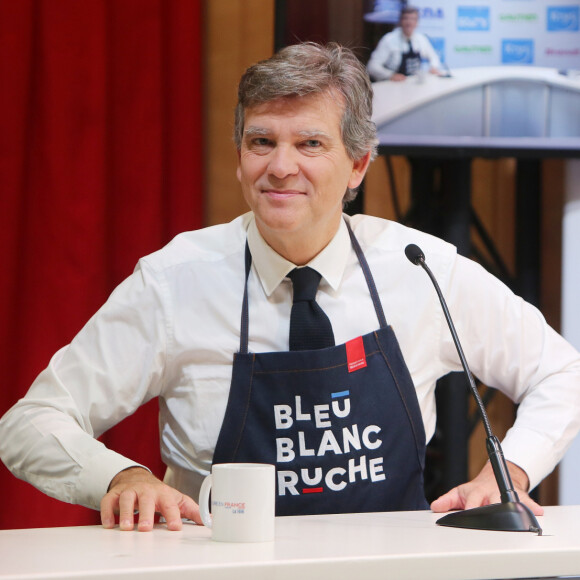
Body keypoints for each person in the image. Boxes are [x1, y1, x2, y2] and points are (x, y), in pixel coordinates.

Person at [1, 42, 580, 533]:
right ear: (239, 157)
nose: (280, 167)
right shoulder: (175, 281)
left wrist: (512, 471)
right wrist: (119, 477)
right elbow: (29, 423)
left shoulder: (419, 267)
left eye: (310, 144)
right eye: (261, 142)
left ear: (358, 165)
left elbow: (561, 372)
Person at [367, 6, 441, 82]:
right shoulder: (389, 39)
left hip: (413, 83)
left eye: (413, 19)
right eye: (406, 18)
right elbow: (372, 66)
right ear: (400, 21)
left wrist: (433, 67)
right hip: (393, 84)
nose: (409, 22)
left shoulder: (421, 39)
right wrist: (390, 75)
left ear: (417, 22)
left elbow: (433, 56)